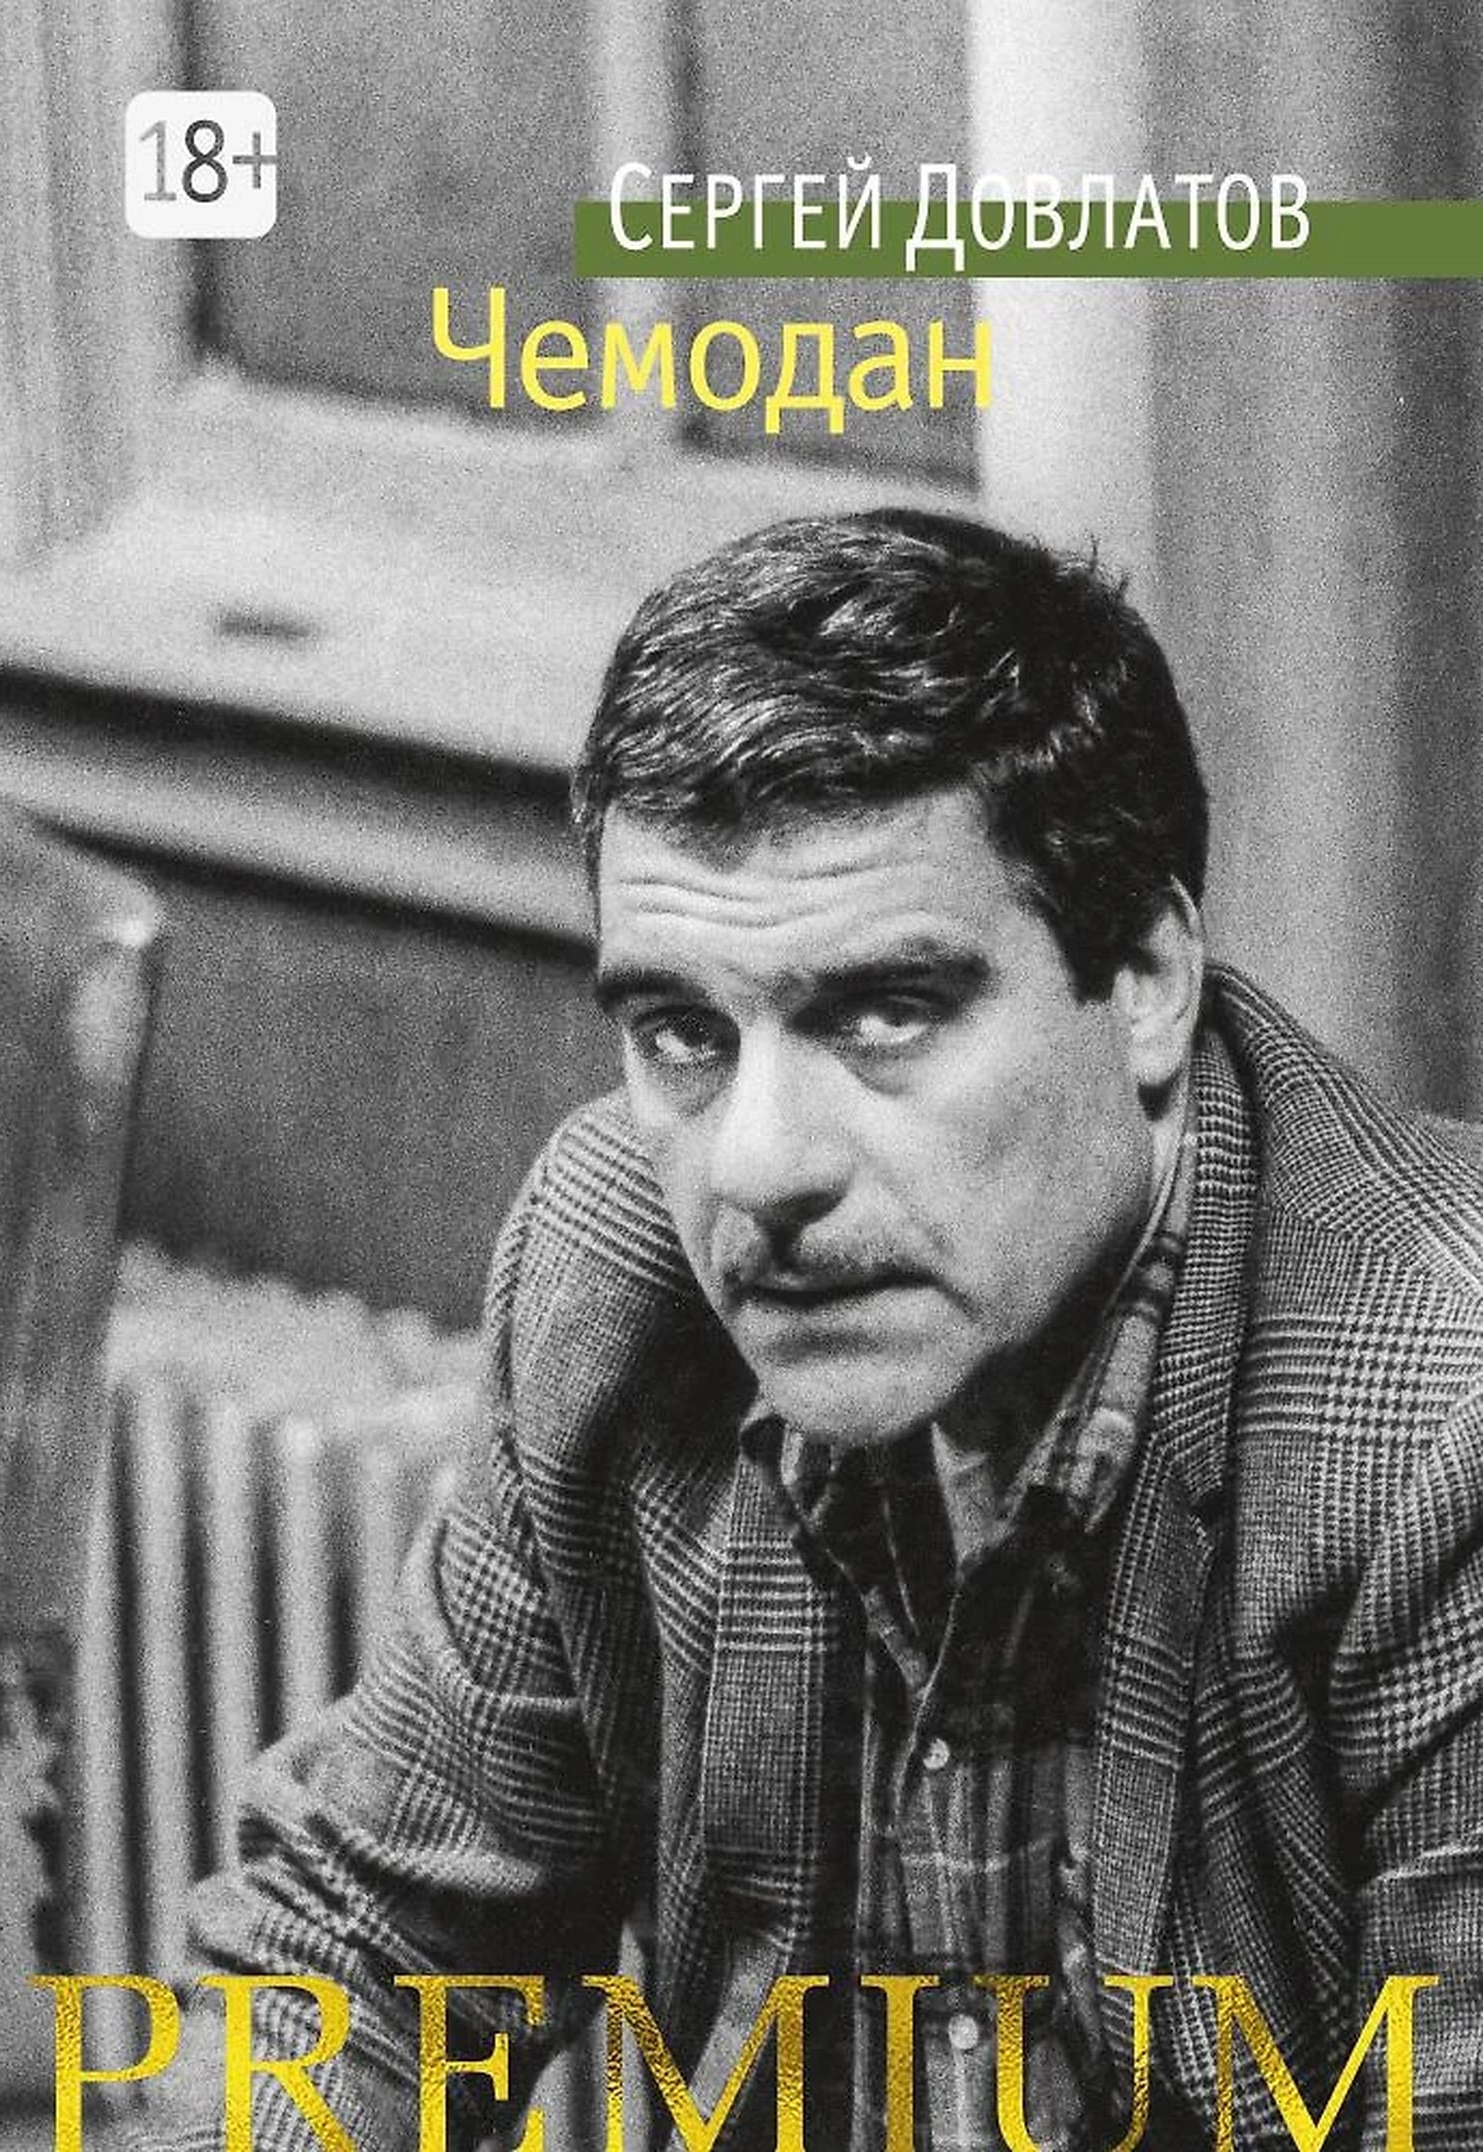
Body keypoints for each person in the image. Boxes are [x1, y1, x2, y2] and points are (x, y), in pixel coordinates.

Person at [125, 511, 1483, 2151]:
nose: (760, 1169)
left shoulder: (1441, 1408)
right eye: (683, 1032)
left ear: (1143, 977)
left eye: (886, 1011)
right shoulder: (615, 1262)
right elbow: (363, 1950)